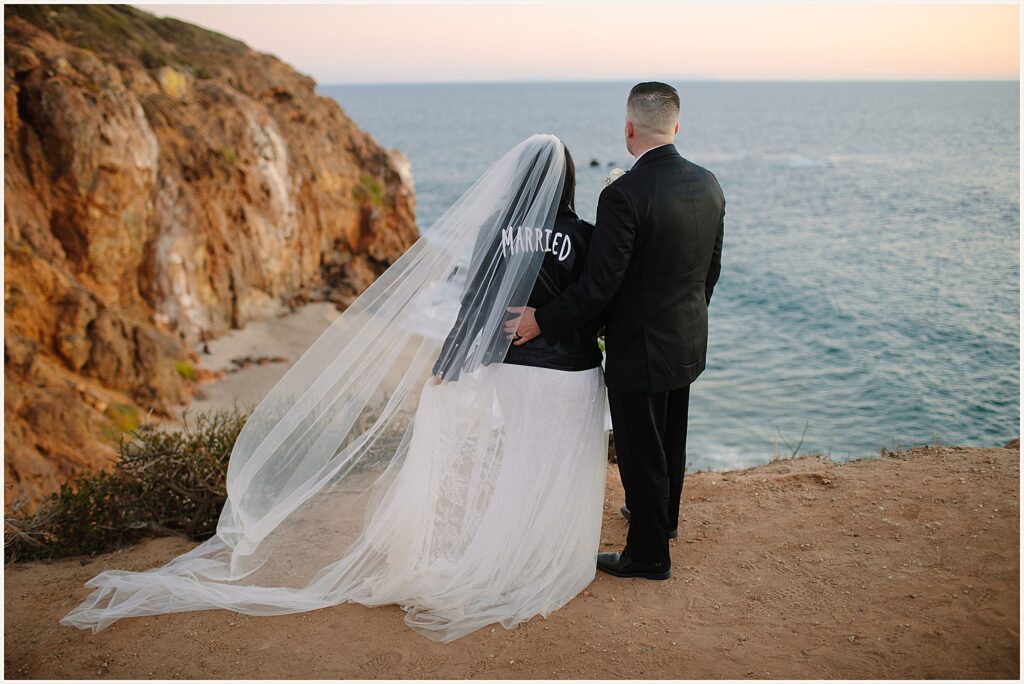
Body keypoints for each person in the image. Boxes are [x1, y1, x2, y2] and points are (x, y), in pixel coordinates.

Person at [58, 134, 610, 644]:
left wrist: (448, 363)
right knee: (557, 466)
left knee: (516, 464)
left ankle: (505, 560)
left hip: (513, 369)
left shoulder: (494, 228)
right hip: (574, 371)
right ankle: (544, 559)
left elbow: (475, 305)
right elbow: (592, 304)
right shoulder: (584, 235)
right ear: (567, 181)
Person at [510, 82, 726, 580]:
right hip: (688, 338)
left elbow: (597, 287)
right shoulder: (708, 183)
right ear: (677, 126)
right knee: (670, 437)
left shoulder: (623, 194)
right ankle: (663, 520)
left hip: (639, 347)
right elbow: (710, 270)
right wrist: (688, 317)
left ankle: (648, 556)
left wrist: (541, 319)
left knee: (639, 450)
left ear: (629, 128)